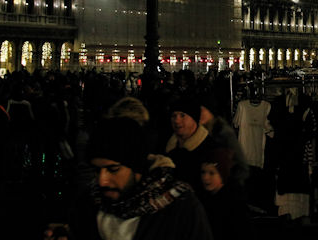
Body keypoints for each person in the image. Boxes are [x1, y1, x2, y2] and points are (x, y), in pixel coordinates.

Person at [46, 116, 212, 240]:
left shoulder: (180, 208)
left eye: (113, 169)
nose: (102, 180)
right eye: (97, 170)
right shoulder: (89, 203)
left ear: (137, 167)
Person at [164, 95, 219, 191]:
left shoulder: (211, 149)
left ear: (194, 118)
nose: (177, 120)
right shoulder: (168, 146)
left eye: (182, 115)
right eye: (174, 116)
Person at [196, 148, 251, 240]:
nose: (205, 177)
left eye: (212, 173)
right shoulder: (203, 197)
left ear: (223, 174)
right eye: (203, 172)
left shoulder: (234, 202)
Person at [198, 93, 249, 190]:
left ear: (211, 111)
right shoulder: (202, 133)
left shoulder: (224, 133)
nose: (200, 114)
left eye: (202, 110)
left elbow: (242, 167)